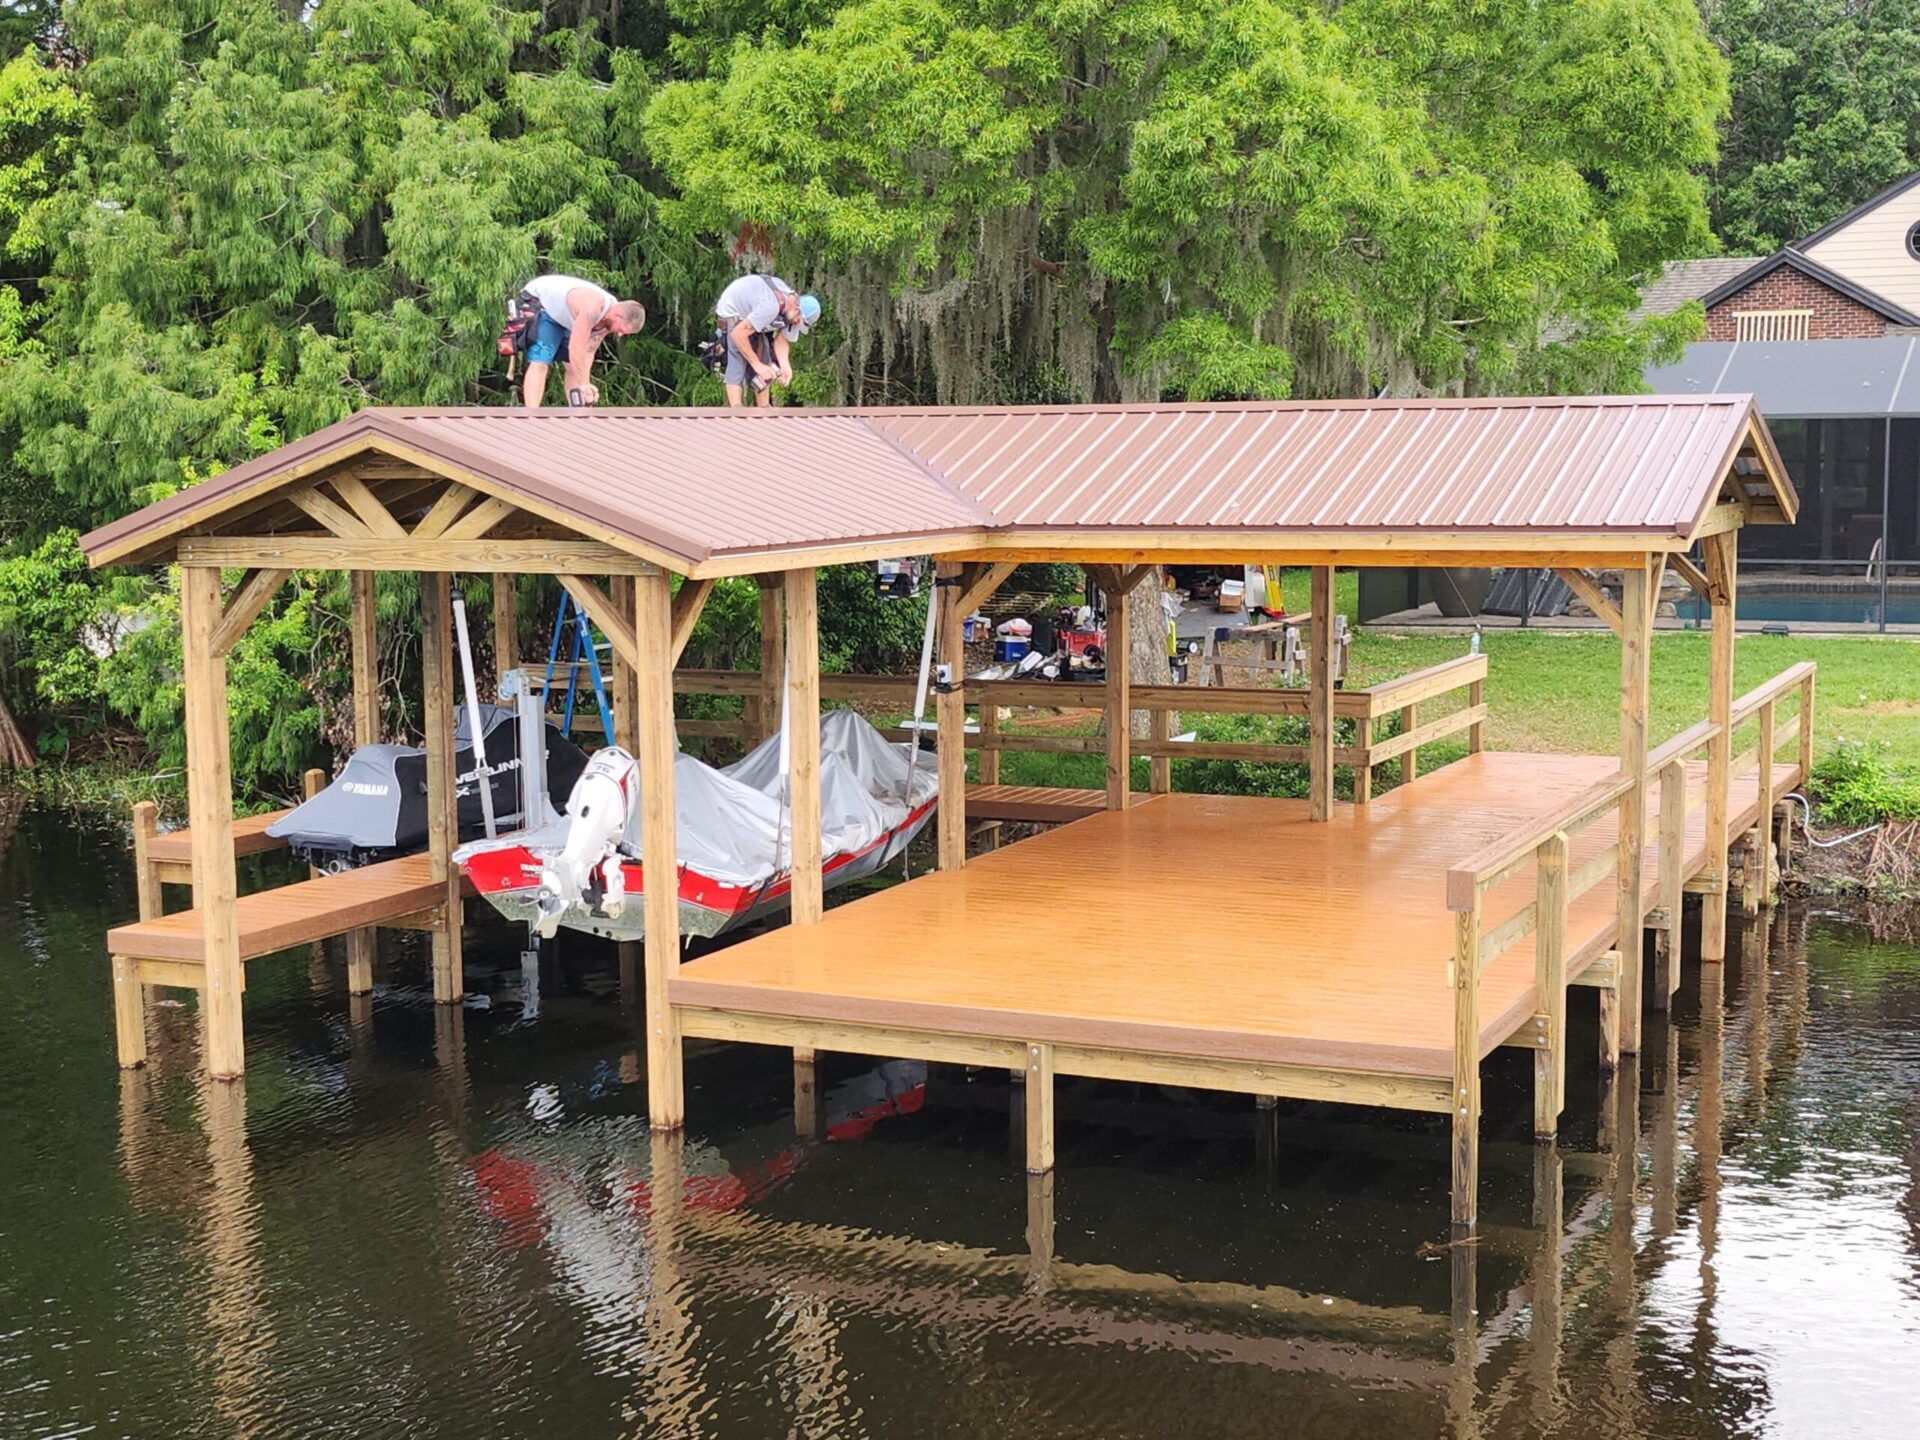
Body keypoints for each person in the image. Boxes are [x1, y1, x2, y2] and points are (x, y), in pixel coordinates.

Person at [519, 274, 645, 409]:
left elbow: (588, 351)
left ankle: (577, 412)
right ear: (618, 315)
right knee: (541, 360)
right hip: (541, 303)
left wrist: (586, 385)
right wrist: (584, 383)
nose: (620, 334)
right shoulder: (592, 308)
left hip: (566, 316)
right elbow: (576, 346)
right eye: (622, 329)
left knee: (575, 367)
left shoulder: (610, 319)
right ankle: (531, 413)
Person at [714, 273, 821, 407]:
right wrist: (757, 365)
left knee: (765, 359)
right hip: (733, 315)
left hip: (754, 317)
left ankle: (764, 410)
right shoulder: (770, 306)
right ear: (797, 310)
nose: (796, 324)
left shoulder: (790, 310)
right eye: (798, 321)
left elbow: (782, 340)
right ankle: (736, 409)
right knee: (738, 362)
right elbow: (737, 334)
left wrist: (785, 367)